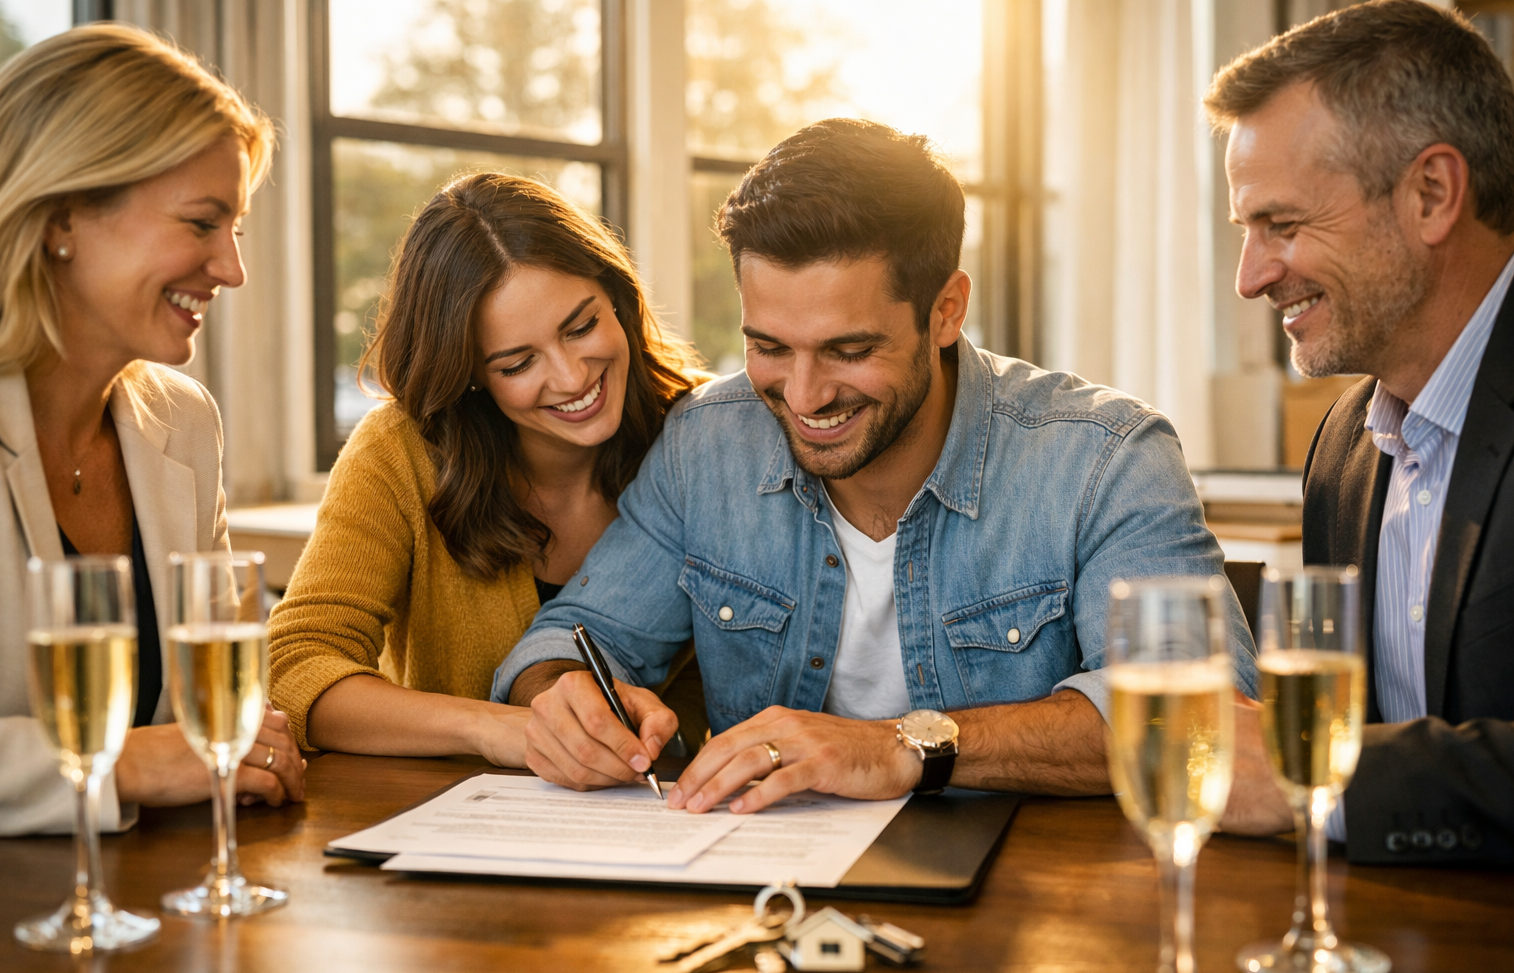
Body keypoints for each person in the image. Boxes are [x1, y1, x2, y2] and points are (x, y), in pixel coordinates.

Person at [494, 118, 1257, 813]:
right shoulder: (705, 444)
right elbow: (571, 637)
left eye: (849, 351)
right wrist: (564, 701)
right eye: (768, 347)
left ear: (946, 311)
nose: (803, 395)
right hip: (761, 894)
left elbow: (1204, 717)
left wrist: (901, 746)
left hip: (1030, 906)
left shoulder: (1105, 457)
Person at [0, 24, 305, 835]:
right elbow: (165, 753)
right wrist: (130, 762)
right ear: (61, 217)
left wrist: (253, 740)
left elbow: (227, 700)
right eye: (201, 223)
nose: (231, 268)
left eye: (235, 228)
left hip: (151, 918)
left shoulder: (182, 422)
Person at [1211, 0, 1514, 865]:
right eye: (1246, 230)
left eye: (1285, 224)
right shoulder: (1345, 449)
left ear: (1431, 193)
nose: (1251, 276)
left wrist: (1316, 778)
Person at [267, 173, 709, 762]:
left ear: (617, 297)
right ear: (469, 372)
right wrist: (493, 728)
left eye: (581, 327)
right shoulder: (402, 452)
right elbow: (296, 667)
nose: (573, 377)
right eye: (518, 363)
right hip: (451, 821)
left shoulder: (705, 438)